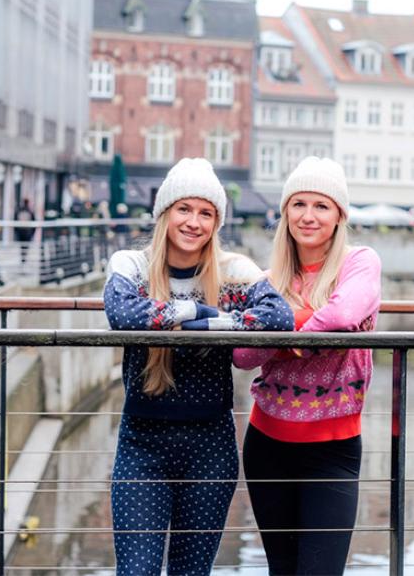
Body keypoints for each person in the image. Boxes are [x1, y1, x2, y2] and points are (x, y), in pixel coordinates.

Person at [103, 158, 294, 575]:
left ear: (216, 222)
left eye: (206, 213)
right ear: (164, 213)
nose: (194, 222)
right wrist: (196, 309)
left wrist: (202, 318)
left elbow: (279, 317)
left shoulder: (231, 271)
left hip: (210, 446)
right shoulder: (131, 265)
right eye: (184, 209)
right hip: (143, 446)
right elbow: (122, 313)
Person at [233, 156, 382, 575]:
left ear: (339, 215)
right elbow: (242, 356)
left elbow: (344, 316)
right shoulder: (267, 279)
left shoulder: (360, 263)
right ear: (285, 213)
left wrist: (281, 334)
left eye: (321, 205)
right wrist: (310, 333)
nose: (309, 216)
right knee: (281, 570)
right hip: (267, 444)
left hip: (332, 449)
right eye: (298, 204)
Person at [14, 197, 35, 263]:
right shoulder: (30, 211)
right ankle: (24, 258)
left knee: (22, 247)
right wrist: (32, 233)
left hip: (21, 232)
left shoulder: (19, 210)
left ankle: (23, 258)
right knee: (25, 247)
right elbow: (34, 222)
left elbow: (15, 221)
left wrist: (16, 232)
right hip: (27, 233)